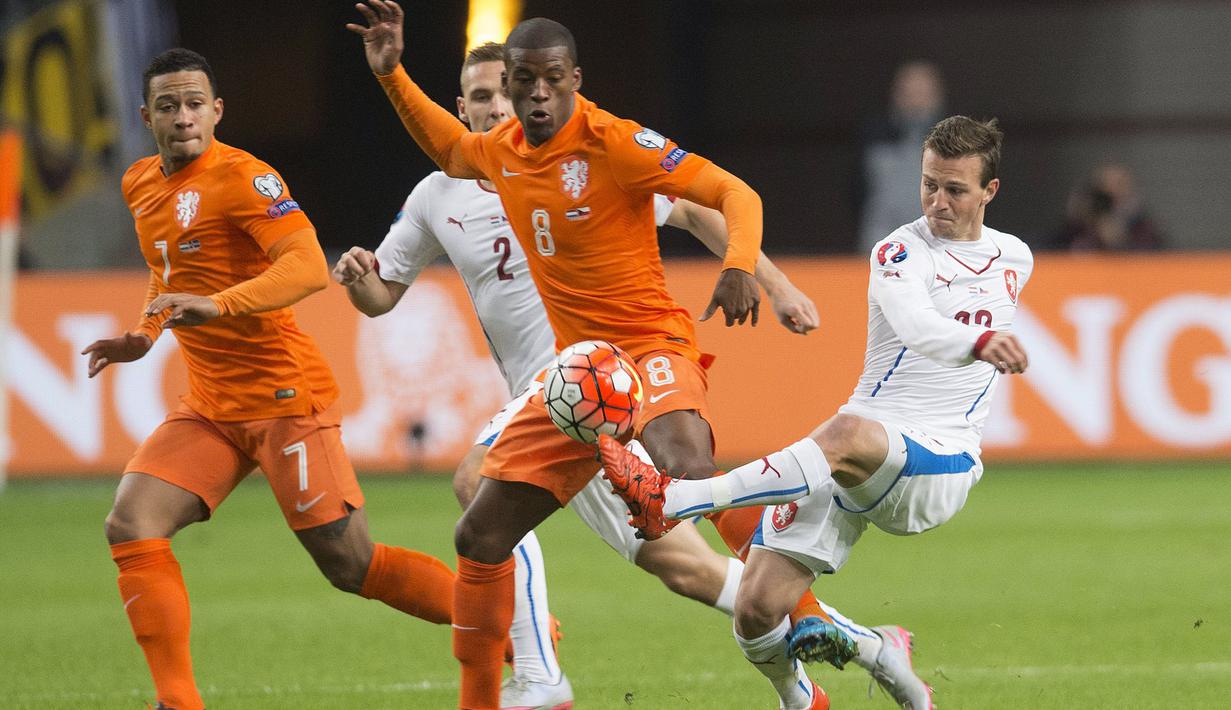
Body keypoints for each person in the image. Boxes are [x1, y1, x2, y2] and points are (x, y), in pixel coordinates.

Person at [348, 5, 828, 708]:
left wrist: (748, 268)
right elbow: (444, 160)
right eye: (514, 84)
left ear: (573, 80)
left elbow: (719, 196)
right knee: (627, 556)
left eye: (546, 80)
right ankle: (838, 636)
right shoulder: (487, 161)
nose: (530, 96)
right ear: (495, 93)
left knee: (667, 464)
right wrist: (390, 72)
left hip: (627, 358)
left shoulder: (612, 144)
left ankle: (543, 676)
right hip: (570, 390)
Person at [600, 116, 1032, 710]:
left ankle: (674, 500)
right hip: (861, 450)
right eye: (929, 184)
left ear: (991, 191)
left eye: (955, 190)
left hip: (941, 460)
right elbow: (915, 324)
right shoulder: (899, 250)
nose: (937, 202)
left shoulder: (1016, 258)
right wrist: (977, 343)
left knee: (844, 432)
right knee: (756, 608)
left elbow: (936, 335)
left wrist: (976, 346)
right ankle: (844, 680)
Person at [84, 48, 457, 710]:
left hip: (285, 399)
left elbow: (309, 265)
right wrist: (144, 335)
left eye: (195, 103)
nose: (183, 117)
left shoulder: (244, 179)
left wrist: (219, 304)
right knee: (131, 523)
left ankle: (514, 630)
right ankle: (178, 702)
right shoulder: (140, 182)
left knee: (352, 567)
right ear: (147, 117)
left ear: (217, 110)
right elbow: (166, 274)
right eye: (168, 106)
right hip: (211, 406)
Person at [856, 60, 946, 254]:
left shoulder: (958, 143)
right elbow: (856, 190)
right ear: (896, 95)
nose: (916, 100)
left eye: (923, 93)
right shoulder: (873, 138)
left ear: (937, 96)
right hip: (881, 244)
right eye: (909, 92)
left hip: (941, 247)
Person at [1054, 163, 1165, 251]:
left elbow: (1158, 262)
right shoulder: (1075, 229)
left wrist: (1120, 242)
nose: (1112, 192)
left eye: (1120, 184)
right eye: (1105, 186)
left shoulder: (1145, 230)